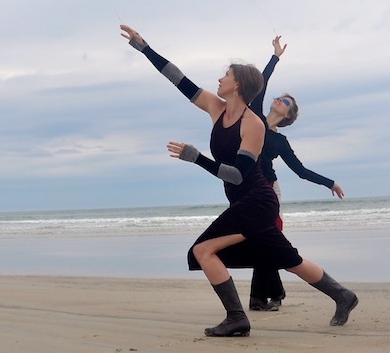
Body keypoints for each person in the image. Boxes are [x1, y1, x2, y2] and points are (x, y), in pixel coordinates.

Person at [120, 24, 357, 337]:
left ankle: (236, 318)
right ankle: (343, 295)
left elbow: (238, 174)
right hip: (245, 201)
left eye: (225, 75)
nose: (219, 79)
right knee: (288, 259)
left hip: (256, 201)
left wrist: (198, 158)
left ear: (238, 85)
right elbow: (179, 79)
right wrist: (144, 47)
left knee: (203, 250)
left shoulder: (253, 125)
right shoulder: (215, 108)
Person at [247, 36, 346, 312]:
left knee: (269, 239)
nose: (279, 99)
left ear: (287, 115)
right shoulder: (254, 116)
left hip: (268, 189)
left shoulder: (280, 142)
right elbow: (261, 84)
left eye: (285, 102)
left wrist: (330, 183)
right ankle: (272, 293)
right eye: (280, 97)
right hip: (246, 187)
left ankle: (261, 297)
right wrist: (275, 57)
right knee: (260, 240)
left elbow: (300, 171)